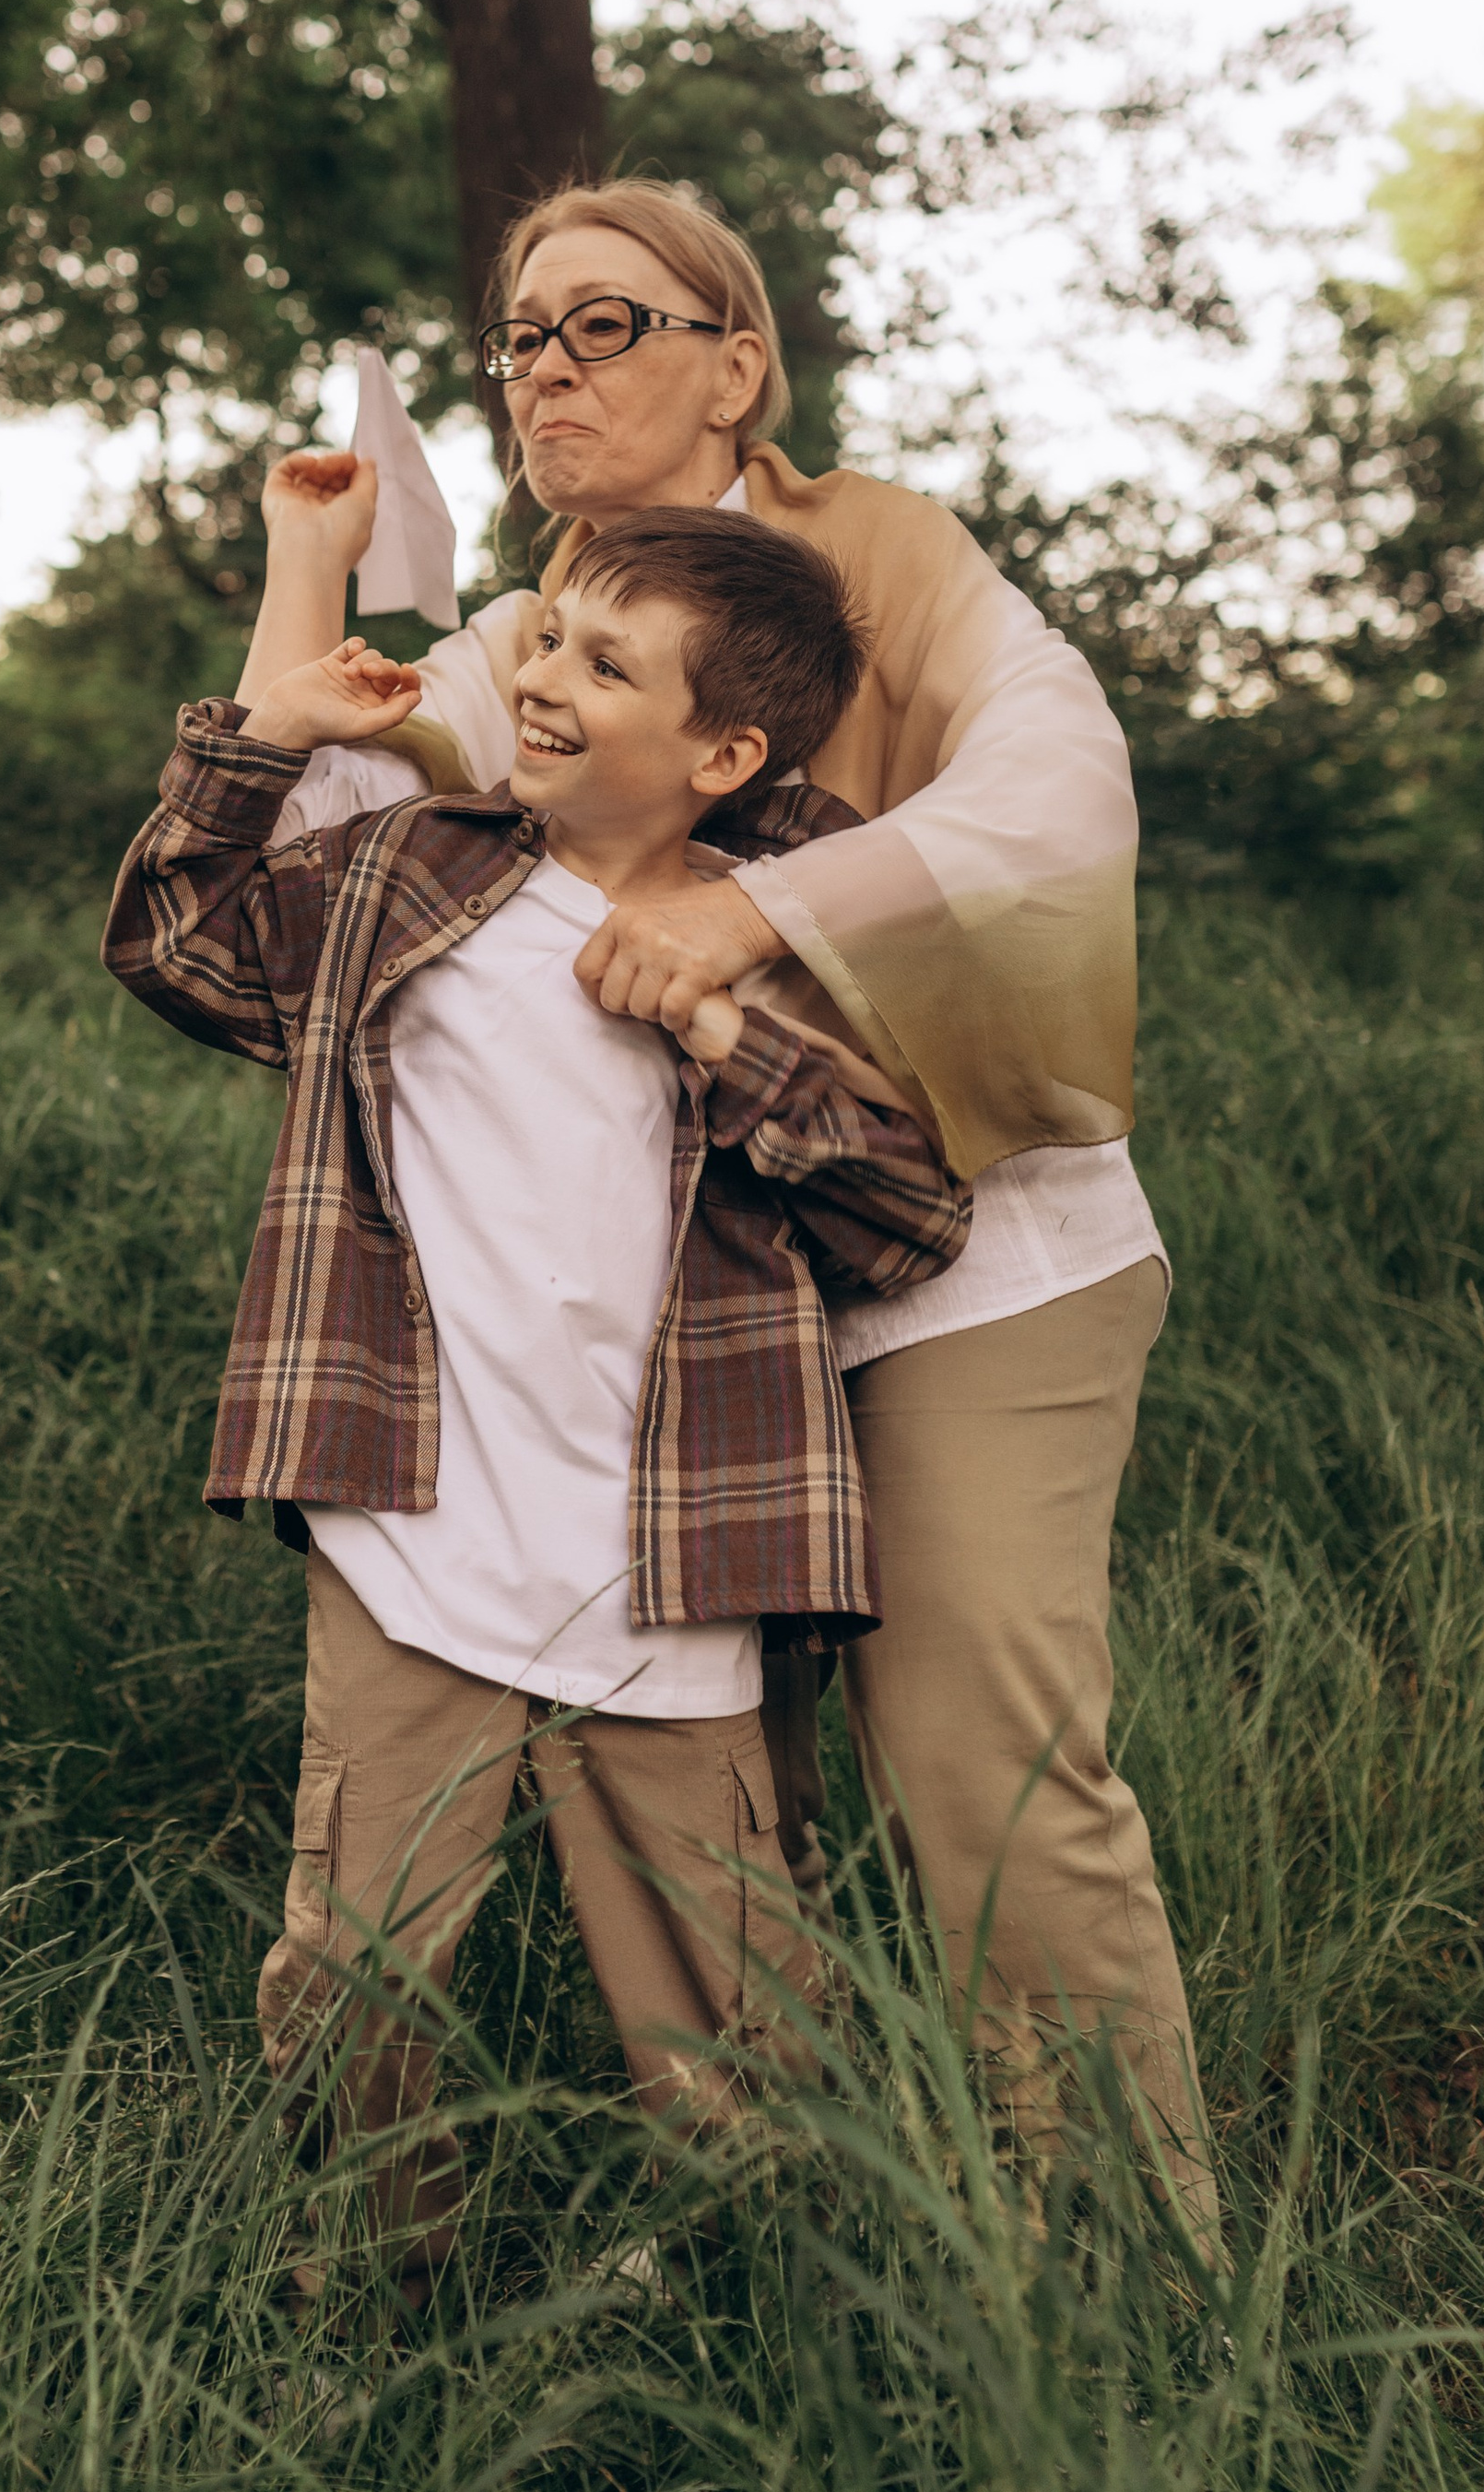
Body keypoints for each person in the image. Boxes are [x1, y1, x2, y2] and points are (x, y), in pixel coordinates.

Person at [234, 178, 1220, 2243]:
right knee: (718, 1799)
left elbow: (1058, 798)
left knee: (969, 1769)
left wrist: (739, 905)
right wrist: (309, 576)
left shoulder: (881, 558)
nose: (544, 370)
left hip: (973, 1257)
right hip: (700, 1304)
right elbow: (308, 842)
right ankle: (797, 2246)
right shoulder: (530, 640)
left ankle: (1125, 2290)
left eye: (604, 325)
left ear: (733, 363)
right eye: (519, 336)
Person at [103, 510, 971, 2294]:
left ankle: (782, 2335)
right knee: (360, 1964)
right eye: (549, 640)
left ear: (722, 754)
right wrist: (263, 734)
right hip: (415, 1519)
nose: (545, 677)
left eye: (602, 662)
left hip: (674, 1552)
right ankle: (369, 2300)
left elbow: (912, 1214)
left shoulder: (786, 943)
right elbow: (175, 944)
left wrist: (731, 1035)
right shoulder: (414, 867)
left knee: (736, 2011)